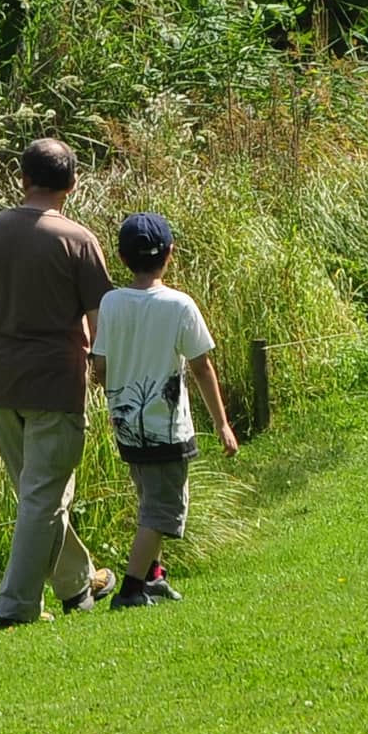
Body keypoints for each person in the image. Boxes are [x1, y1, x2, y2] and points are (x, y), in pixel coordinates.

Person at [0, 136, 120, 624]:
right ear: (73, 183)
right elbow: (98, 320)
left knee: (36, 494)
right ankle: (17, 606)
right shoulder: (80, 240)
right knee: (43, 495)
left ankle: (77, 582)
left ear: (21, 179)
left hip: (0, 383)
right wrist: (105, 377)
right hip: (55, 383)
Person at [88, 210, 237, 608]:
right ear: (170, 253)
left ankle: (153, 577)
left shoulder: (111, 303)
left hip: (126, 423)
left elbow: (99, 367)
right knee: (163, 508)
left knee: (148, 498)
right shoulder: (179, 305)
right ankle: (132, 588)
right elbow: (202, 366)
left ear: (121, 258)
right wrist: (222, 423)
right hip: (167, 426)